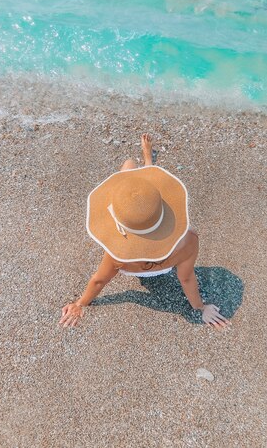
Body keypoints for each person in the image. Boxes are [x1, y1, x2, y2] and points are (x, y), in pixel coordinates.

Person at [59, 134, 231, 329]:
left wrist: (80, 304)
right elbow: (186, 277)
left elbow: (99, 280)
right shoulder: (189, 240)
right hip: (168, 260)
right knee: (146, 194)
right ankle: (148, 162)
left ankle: (146, 166)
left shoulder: (119, 254)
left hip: (133, 263)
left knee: (128, 167)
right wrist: (200, 308)